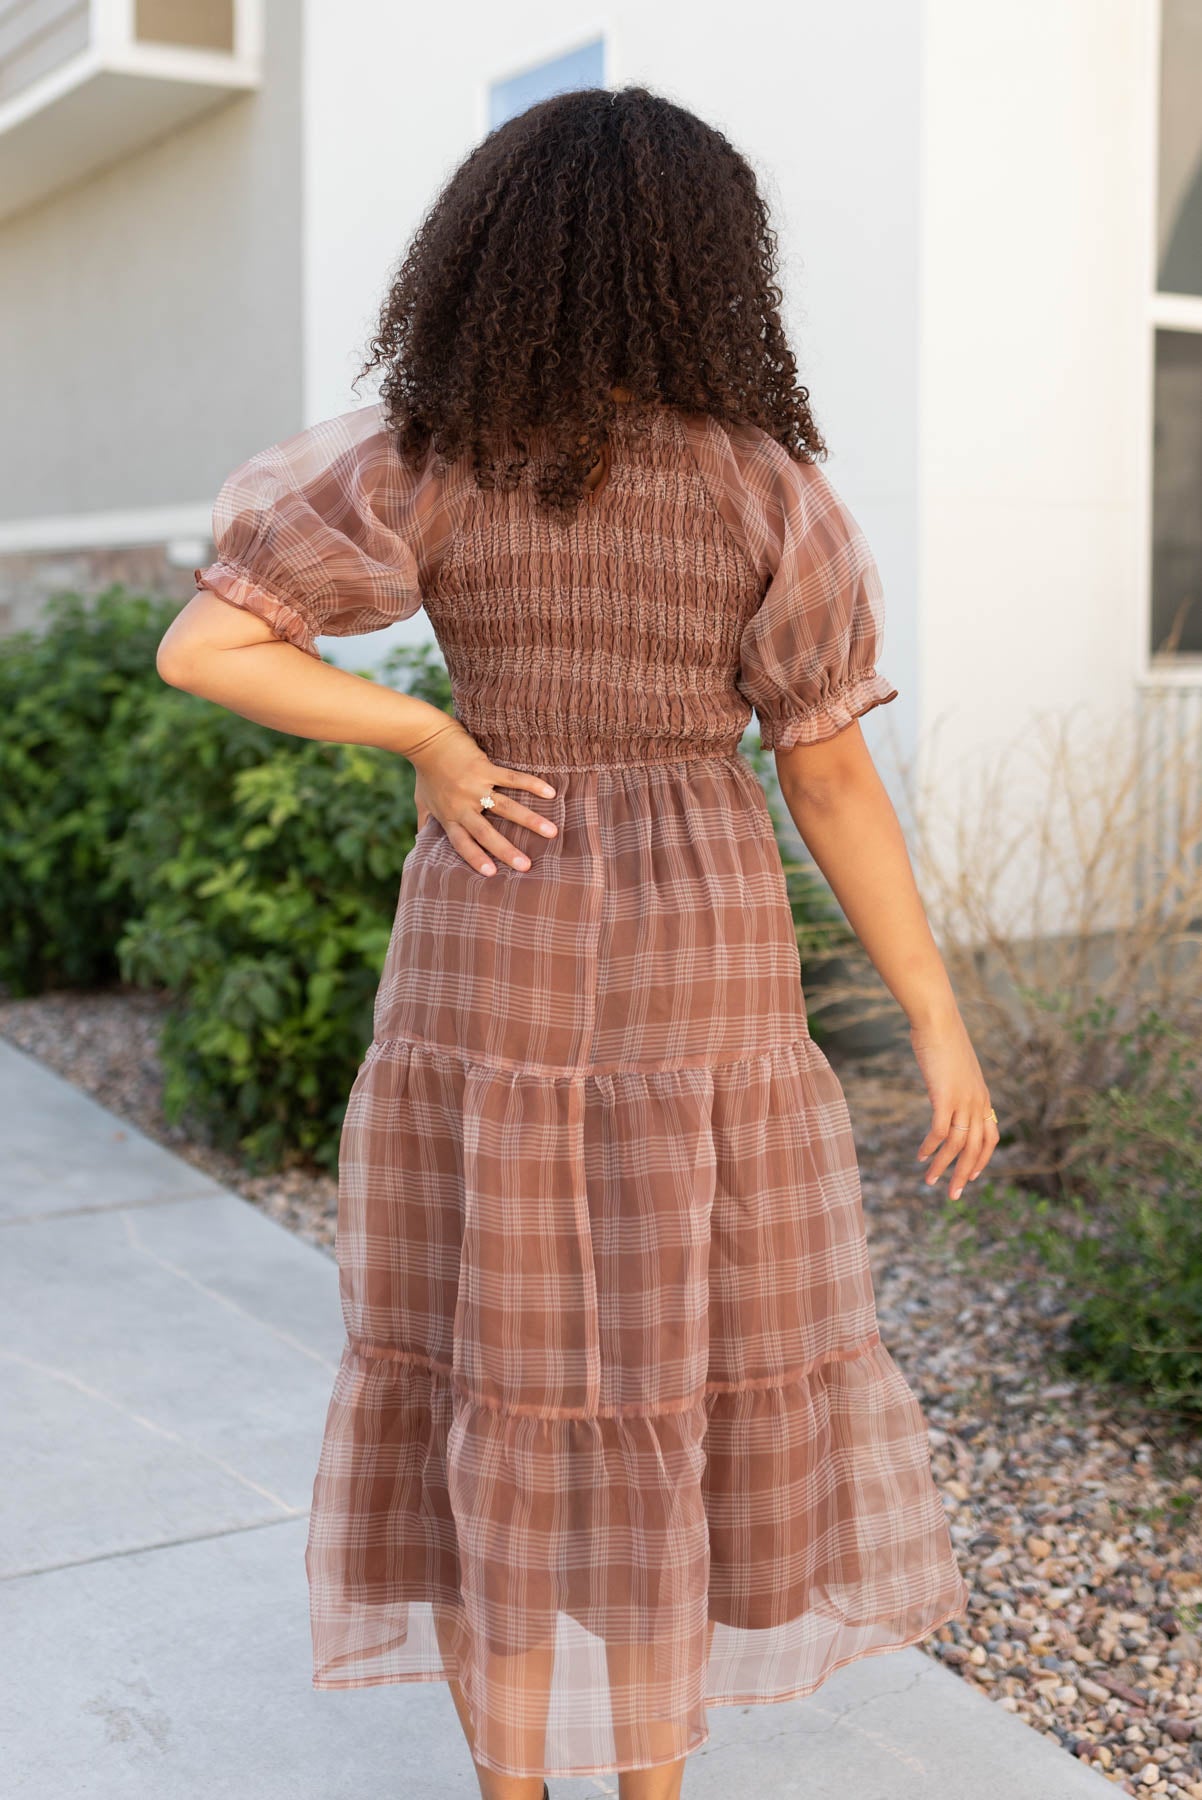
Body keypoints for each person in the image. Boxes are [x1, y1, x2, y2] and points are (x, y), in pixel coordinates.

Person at [156, 82, 995, 1800]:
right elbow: (827, 783)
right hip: (702, 960)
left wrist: (434, 742)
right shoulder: (772, 489)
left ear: (492, 256)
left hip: (495, 929)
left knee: (503, 1369)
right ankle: (650, 1786)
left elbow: (208, 650)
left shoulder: (434, 457)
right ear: (710, 268)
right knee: (677, 1370)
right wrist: (935, 1018)